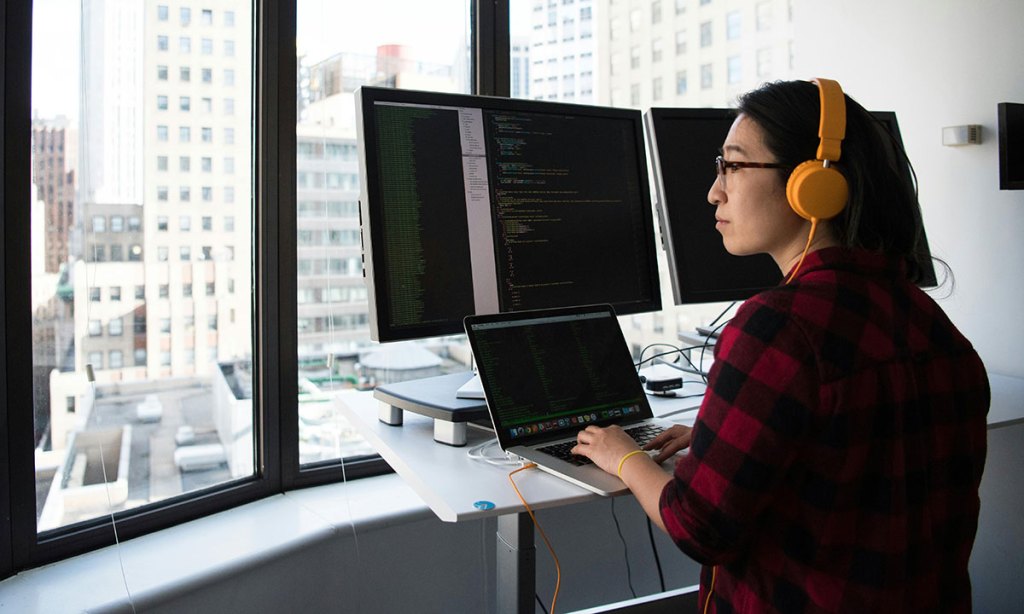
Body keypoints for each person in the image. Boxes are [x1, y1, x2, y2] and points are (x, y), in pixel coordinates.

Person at [571, 79, 990, 613]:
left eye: (733, 166)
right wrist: (725, 433)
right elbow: (857, 447)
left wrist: (624, 455)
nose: (714, 191)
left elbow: (699, 527)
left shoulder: (778, 328)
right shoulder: (931, 323)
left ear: (813, 185)